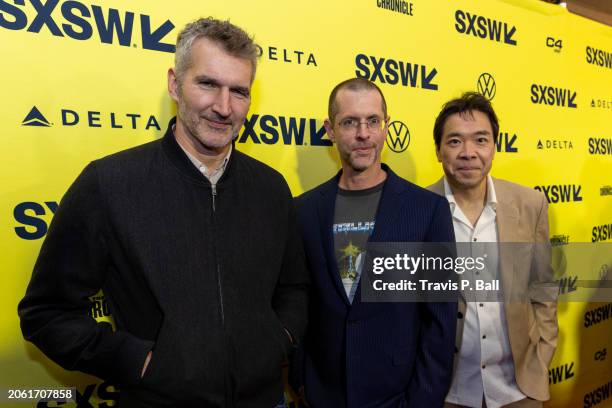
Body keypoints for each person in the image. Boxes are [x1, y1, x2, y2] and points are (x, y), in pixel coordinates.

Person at [18, 17, 308, 407]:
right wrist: (136, 362)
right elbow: (46, 312)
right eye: (208, 84)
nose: (224, 107)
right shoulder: (109, 183)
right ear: (175, 84)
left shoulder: (271, 188)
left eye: (239, 91)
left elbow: (294, 288)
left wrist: (281, 339)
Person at [293, 78, 457, 407]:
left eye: (373, 121)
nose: (363, 134)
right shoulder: (303, 211)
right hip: (325, 395)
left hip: (398, 397)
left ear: (386, 127)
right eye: (350, 122)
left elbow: (440, 318)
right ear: (330, 129)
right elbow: (299, 302)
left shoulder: (427, 210)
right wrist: (302, 382)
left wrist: (422, 400)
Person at [428, 92, 557, 408]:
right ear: (439, 151)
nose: (468, 153)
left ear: (495, 147)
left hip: (519, 390)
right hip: (446, 393)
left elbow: (543, 286)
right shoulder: (417, 209)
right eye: (455, 141)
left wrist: (541, 357)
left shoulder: (530, 205)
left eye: (480, 140)